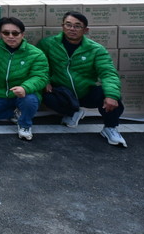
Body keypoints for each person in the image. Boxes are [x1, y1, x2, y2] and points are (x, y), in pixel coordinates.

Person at [34, 12, 127, 147]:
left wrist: (111, 95)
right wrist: (46, 80)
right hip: (62, 92)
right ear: (63, 26)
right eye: (68, 25)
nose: (72, 29)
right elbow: (39, 65)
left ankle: (110, 128)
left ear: (86, 30)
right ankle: (73, 112)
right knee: (46, 96)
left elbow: (108, 73)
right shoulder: (48, 44)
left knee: (112, 95)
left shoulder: (96, 49)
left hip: (85, 92)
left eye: (77, 26)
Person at [0, 16, 49, 141]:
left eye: (15, 33)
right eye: (6, 33)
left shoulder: (36, 53)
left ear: (22, 34)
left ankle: (25, 125)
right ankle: (15, 113)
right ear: (0, 34)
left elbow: (41, 77)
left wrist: (25, 88)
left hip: (24, 94)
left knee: (30, 101)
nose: (10, 36)